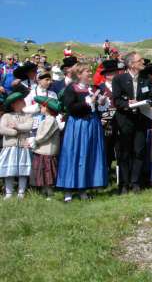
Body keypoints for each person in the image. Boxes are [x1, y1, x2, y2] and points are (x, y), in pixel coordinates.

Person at [56, 63, 108, 202]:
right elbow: (71, 108)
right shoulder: (71, 89)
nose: (90, 74)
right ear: (79, 74)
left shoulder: (92, 88)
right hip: (77, 126)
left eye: (90, 71)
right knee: (74, 155)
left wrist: (100, 102)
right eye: (87, 71)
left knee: (88, 155)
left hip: (92, 125)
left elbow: (95, 107)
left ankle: (83, 189)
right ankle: (68, 191)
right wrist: (87, 103)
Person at [112, 52, 152, 194]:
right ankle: (124, 184)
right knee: (124, 153)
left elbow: (150, 97)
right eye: (140, 60)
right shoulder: (119, 79)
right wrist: (127, 103)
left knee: (139, 151)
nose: (143, 61)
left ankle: (135, 182)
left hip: (141, 119)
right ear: (131, 64)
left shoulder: (147, 79)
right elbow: (116, 100)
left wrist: (147, 102)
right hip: (125, 120)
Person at [0, 92, 33, 199]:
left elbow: (29, 126)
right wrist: (14, 132)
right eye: (20, 100)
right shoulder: (6, 116)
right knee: (9, 169)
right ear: (14, 104)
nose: (23, 102)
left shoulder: (27, 115)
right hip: (10, 146)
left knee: (22, 169)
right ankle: (9, 192)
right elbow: (2, 129)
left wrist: (17, 126)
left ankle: (21, 192)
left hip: (23, 145)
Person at [28, 97, 62, 199]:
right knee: (42, 172)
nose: (40, 108)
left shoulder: (50, 120)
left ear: (47, 108)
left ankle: (49, 192)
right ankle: (44, 191)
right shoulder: (46, 119)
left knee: (47, 172)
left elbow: (44, 135)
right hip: (42, 150)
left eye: (42, 106)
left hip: (47, 151)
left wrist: (34, 140)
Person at [97, 60, 120, 179]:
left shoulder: (120, 86)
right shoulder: (99, 88)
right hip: (106, 122)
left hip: (120, 121)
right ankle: (104, 172)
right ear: (106, 75)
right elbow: (96, 106)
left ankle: (119, 174)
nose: (114, 75)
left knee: (120, 147)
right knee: (106, 148)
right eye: (112, 73)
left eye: (115, 72)